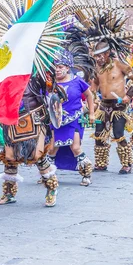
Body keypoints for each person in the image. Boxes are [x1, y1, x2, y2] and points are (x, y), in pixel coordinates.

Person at [89, 13, 133, 174]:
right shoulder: (97, 68)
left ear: (107, 53)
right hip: (103, 106)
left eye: (100, 55)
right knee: (99, 135)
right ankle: (101, 163)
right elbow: (95, 84)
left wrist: (128, 96)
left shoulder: (119, 64)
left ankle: (127, 163)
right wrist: (92, 97)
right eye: (95, 56)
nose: (98, 58)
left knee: (118, 134)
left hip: (119, 106)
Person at [48, 41, 96, 186]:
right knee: (51, 149)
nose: (57, 70)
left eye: (60, 67)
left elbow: (90, 96)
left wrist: (92, 113)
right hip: (56, 121)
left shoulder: (77, 81)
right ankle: (48, 175)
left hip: (74, 119)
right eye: (56, 67)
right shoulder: (51, 83)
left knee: (75, 148)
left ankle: (86, 174)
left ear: (67, 68)